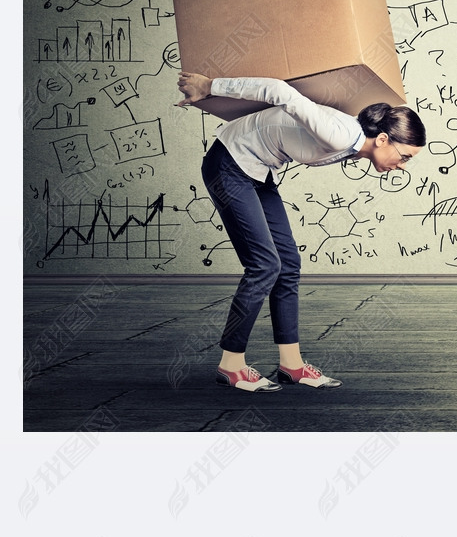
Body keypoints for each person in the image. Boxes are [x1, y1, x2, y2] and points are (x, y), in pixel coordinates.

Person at [175, 74, 426, 392]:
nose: (402, 166)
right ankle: (231, 365)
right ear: (382, 140)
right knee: (264, 265)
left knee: (288, 263)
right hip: (228, 164)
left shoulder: (352, 141)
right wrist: (209, 87)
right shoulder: (340, 134)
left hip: (255, 168)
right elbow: (279, 90)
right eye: (404, 157)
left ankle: (291, 365)